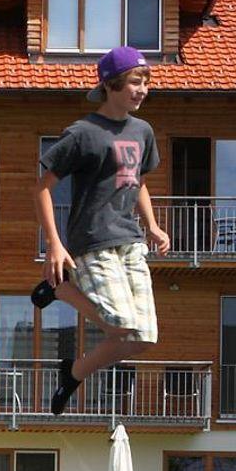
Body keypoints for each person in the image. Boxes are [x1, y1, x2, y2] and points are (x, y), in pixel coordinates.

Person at [31, 45, 171, 417]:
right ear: (110, 85)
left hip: (131, 240)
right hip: (93, 240)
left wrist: (153, 226)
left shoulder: (143, 131)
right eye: (135, 83)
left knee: (143, 337)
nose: (142, 90)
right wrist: (55, 244)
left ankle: (73, 374)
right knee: (121, 323)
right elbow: (41, 187)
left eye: (146, 83)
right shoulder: (83, 133)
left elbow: (137, 181)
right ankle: (61, 288)